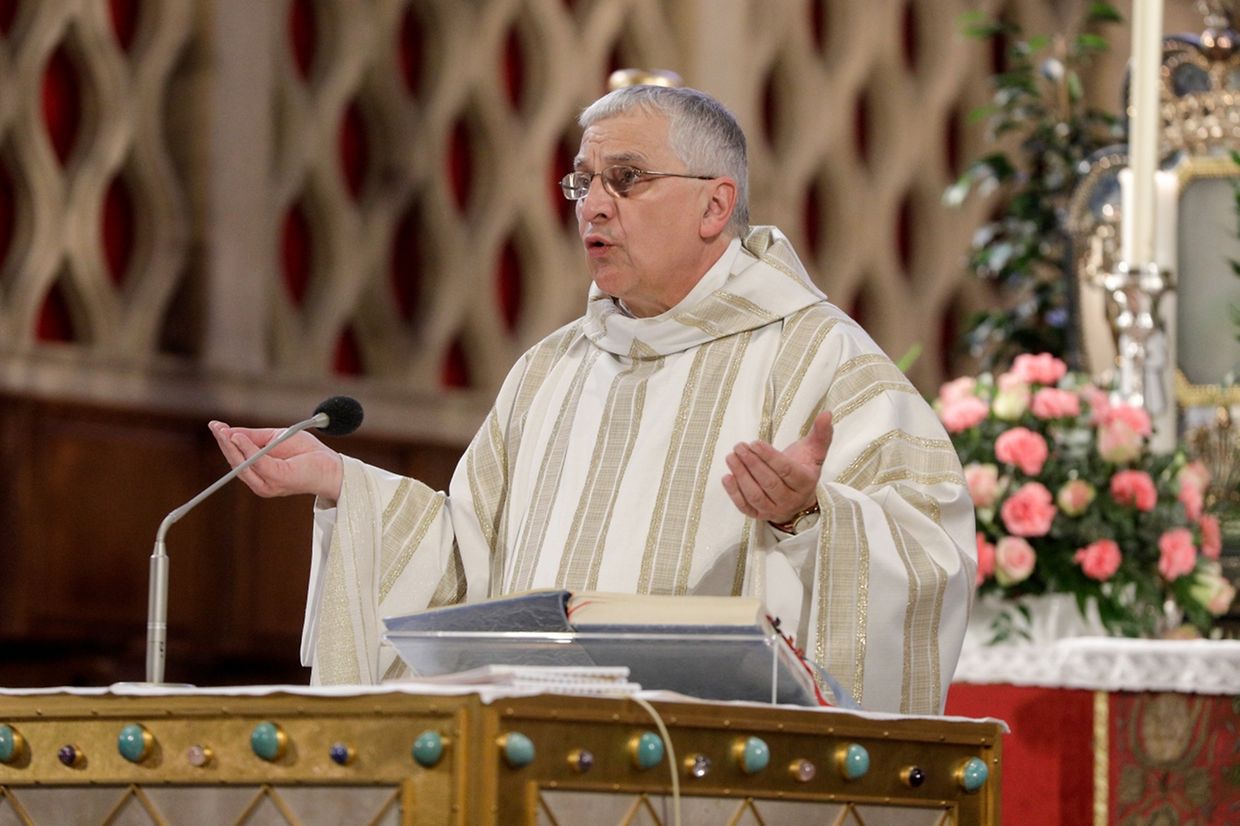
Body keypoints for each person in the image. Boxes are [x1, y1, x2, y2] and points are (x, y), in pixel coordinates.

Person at [210, 85, 976, 714]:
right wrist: (345, 487)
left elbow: (928, 552)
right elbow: (470, 562)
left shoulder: (817, 355)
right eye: (583, 181)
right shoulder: (550, 371)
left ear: (715, 207)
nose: (593, 206)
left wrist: (809, 517)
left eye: (627, 179)